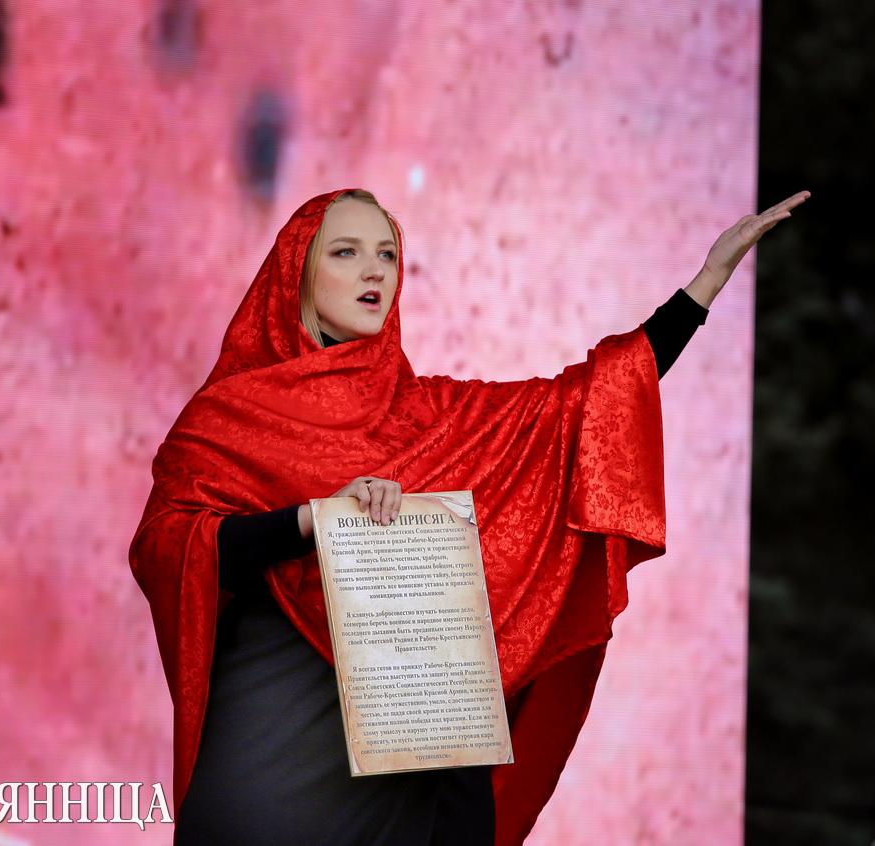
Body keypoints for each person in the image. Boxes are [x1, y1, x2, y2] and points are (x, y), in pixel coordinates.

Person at [130, 187, 807, 845]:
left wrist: (704, 285)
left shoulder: (436, 417)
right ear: (296, 275)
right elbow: (170, 546)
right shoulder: (227, 419)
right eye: (345, 252)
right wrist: (308, 521)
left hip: (413, 779)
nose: (374, 271)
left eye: (387, 254)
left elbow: (580, 407)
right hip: (273, 763)